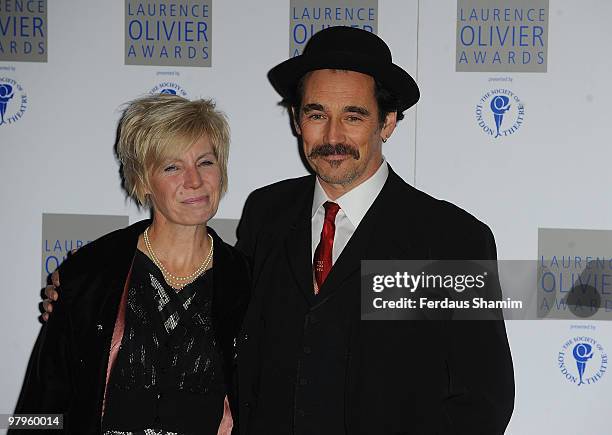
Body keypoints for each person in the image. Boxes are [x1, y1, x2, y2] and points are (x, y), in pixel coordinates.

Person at [41, 27, 514, 434]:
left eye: (354, 115)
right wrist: (86, 295)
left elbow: (483, 401)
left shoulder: (451, 238)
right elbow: (211, 313)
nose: (333, 135)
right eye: (315, 114)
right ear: (296, 120)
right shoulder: (267, 214)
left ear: (387, 122)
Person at [16, 94, 249, 434]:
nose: (194, 180)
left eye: (205, 162)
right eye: (172, 167)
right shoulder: (90, 276)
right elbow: (39, 409)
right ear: (142, 181)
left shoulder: (248, 282)